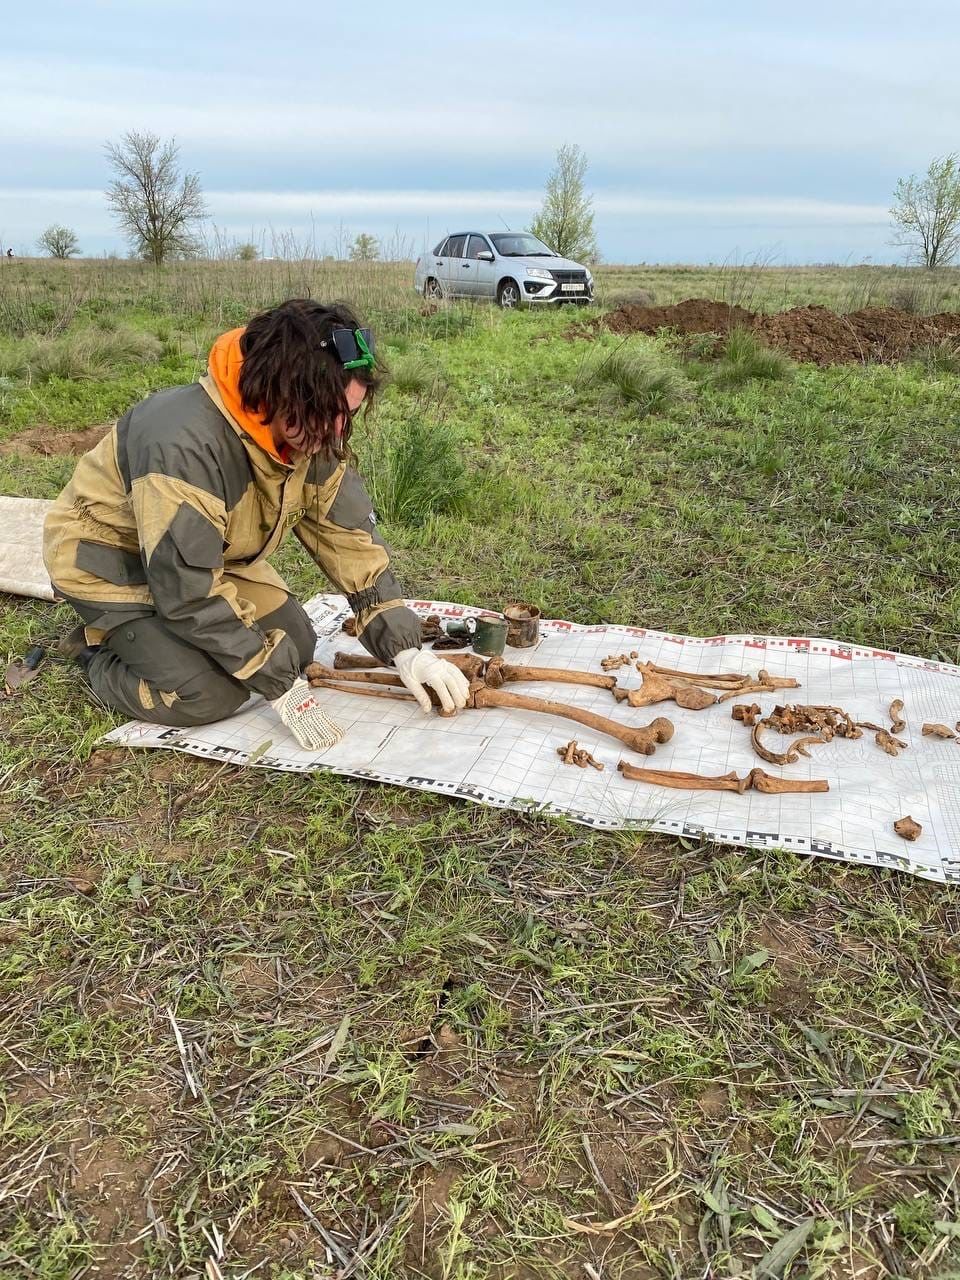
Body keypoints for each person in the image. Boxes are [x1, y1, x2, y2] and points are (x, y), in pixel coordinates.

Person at [43, 299, 470, 749]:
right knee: (207, 694)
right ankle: (98, 652)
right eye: (333, 414)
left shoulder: (310, 427)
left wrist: (405, 647)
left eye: (352, 414)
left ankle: (158, 643)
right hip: (112, 564)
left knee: (297, 644)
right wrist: (276, 681)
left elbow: (348, 538)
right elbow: (186, 590)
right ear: (285, 392)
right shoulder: (184, 444)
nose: (340, 432)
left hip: (203, 558)